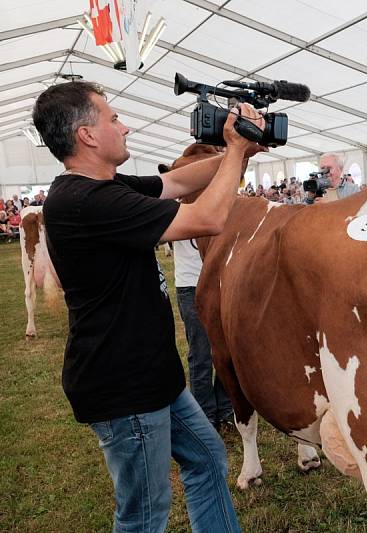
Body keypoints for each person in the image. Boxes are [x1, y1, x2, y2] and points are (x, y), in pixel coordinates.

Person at [33, 80, 265, 530]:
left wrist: (243, 152)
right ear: (87, 135)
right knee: (144, 513)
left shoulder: (103, 187)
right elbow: (208, 218)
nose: (127, 126)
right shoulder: (85, 201)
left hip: (152, 377)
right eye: (114, 118)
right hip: (125, 388)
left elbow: (178, 180)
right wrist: (234, 153)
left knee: (206, 460)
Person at [174, 238, 234, 429]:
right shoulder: (176, 207)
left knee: (227, 353)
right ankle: (204, 414)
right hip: (190, 284)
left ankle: (225, 408)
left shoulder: (221, 207)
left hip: (221, 281)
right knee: (201, 355)